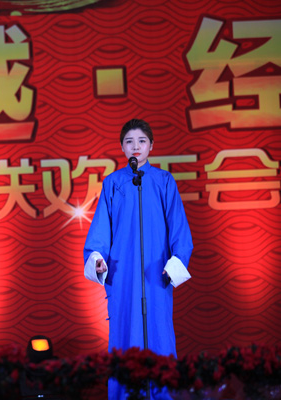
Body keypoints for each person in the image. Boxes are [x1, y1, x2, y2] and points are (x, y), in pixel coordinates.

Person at [83, 119, 193, 400]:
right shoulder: (112, 184)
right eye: (129, 141)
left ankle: (161, 395)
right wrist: (98, 259)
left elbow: (179, 231)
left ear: (151, 146)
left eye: (141, 141)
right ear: (122, 147)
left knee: (159, 336)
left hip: (156, 275)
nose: (136, 146)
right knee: (124, 338)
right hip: (123, 278)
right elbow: (100, 233)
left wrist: (176, 262)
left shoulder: (164, 182)